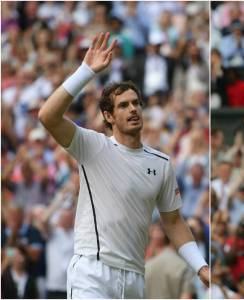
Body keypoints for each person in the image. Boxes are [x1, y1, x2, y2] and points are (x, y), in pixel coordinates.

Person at [38, 32, 209, 298]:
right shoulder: (92, 145)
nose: (133, 109)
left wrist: (201, 267)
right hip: (92, 273)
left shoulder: (161, 163)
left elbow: (174, 222)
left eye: (136, 103)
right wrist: (86, 71)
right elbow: (48, 116)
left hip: (134, 279)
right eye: (124, 105)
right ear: (108, 115)